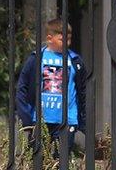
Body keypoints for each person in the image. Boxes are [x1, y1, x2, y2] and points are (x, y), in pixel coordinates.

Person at [13, 17, 88, 153]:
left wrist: (83, 121)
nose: (67, 43)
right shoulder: (36, 58)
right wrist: (26, 118)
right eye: (62, 39)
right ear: (49, 38)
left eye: (69, 39)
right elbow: (22, 87)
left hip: (67, 119)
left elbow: (83, 91)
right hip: (40, 119)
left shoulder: (75, 60)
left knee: (62, 159)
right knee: (38, 158)